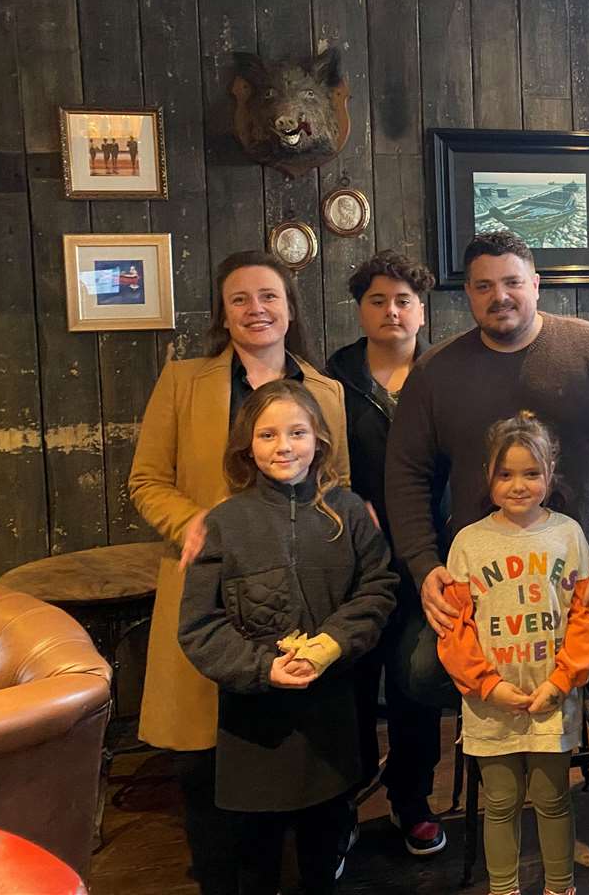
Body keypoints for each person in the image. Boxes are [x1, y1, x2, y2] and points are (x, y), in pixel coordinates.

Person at [384, 229, 589, 893]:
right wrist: (425, 566)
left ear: (537, 284)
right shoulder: (436, 371)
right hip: (483, 587)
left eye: (512, 281)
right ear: (467, 296)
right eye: (483, 286)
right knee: (417, 671)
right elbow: (403, 473)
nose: (499, 296)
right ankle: (504, 775)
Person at [128, 249, 350, 895]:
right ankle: (222, 877)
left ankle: (301, 869)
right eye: (240, 299)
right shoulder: (183, 382)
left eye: (269, 296)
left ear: (289, 309)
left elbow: (337, 488)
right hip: (206, 586)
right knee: (203, 760)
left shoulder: (325, 391)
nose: (257, 309)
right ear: (223, 314)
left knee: (295, 745)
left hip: (300, 594)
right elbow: (146, 480)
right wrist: (192, 523)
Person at [178, 380, 397, 895]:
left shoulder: (347, 514)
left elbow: (378, 588)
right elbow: (199, 626)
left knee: (323, 851)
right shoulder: (225, 524)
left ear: (318, 440)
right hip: (253, 727)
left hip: (332, 716)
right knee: (257, 861)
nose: (284, 446)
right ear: (246, 446)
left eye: (297, 432)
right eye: (268, 434)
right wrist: (262, 667)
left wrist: (332, 643)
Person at [438, 412, 589, 895]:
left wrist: (562, 681)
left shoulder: (569, 535)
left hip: (552, 697)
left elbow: (587, 618)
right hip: (490, 703)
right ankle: (504, 888)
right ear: (487, 477)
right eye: (506, 474)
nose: (518, 485)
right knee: (501, 801)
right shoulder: (469, 543)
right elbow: (454, 629)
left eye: (531, 473)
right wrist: (488, 685)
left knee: (554, 799)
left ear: (550, 475)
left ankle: (560, 887)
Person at [326, 250, 447, 855]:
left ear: (422, 310)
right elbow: (312, 460)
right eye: (378, 300)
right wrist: (348, 504)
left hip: (432, 552)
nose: (391, 311)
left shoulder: (448, 371)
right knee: (350, 682)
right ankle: (343, 805)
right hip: (353, 555)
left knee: (414, 680)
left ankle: (411, 799)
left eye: (403, 300)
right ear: (360, 310)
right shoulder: (330, 378)